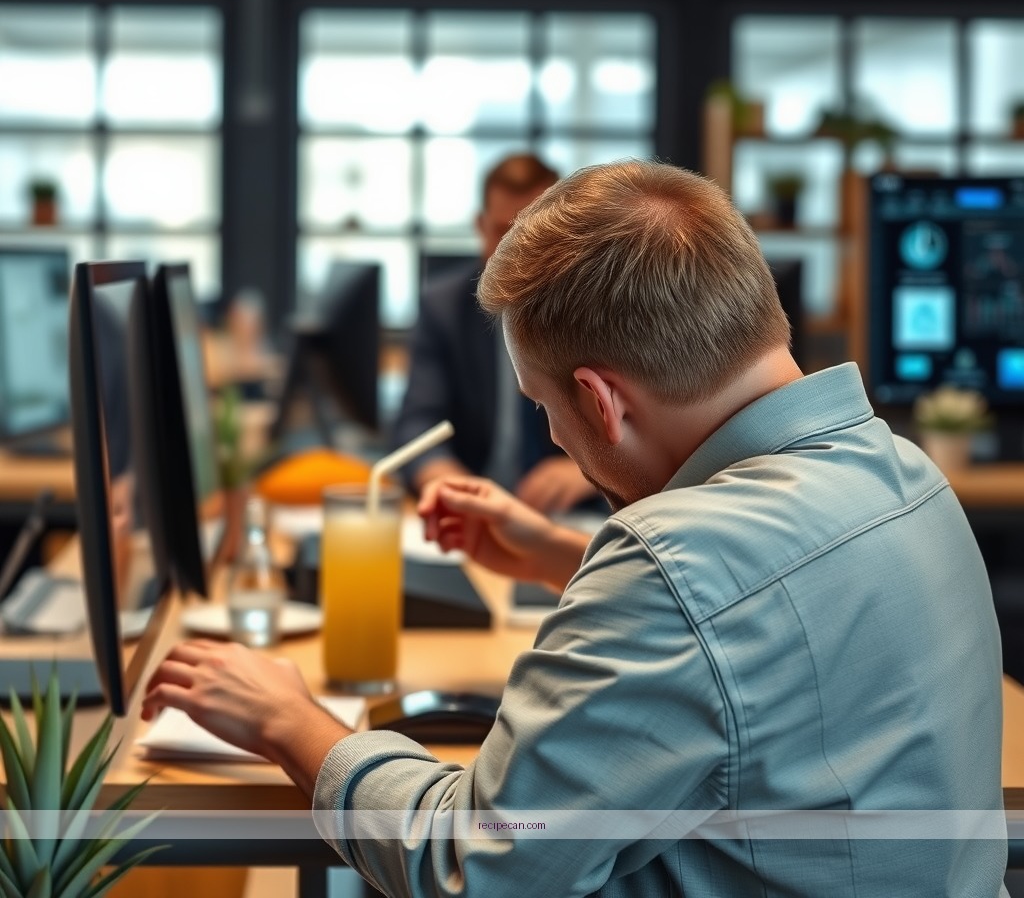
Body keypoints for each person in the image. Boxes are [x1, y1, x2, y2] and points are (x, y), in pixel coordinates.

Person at [143, 160, 1008, 897]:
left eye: (542, 406)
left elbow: (476, 864)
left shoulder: (676, 566)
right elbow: (766, 632)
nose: (551, 430)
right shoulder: (902, 472)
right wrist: (562, 552)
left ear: (598, 400)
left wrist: (294, 723)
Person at [391, 152, 598, 514]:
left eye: (536, 235)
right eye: (505, 232)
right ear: (481, 227)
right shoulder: (444, 308)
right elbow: (417, 422)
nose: (520, 253)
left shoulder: (595, 308)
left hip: (571, 515)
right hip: (477, 511)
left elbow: (642, 425)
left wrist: (586, 470)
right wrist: (442, 478)